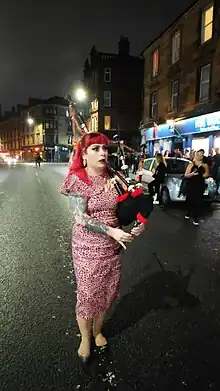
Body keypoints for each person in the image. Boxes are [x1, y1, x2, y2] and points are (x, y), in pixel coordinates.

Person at [60, 132, 146, 362]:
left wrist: (140, 223)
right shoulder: (78, 179)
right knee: (88, 295)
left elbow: (133, 202)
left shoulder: (116, 176)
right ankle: (85, 338)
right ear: (84, 155)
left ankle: (97, 331)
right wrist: (110, 231)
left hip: (113, 248)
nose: (102, 152)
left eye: (105, 148)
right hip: (87, 248)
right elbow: (80, 218)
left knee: (107, 293)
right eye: (95, 148)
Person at [184, 150, 209, 226]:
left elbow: (207, 174)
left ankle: (195, 217)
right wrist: (191, 174)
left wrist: (202, 175)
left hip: (199, 185)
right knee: (190, 200)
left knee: (197, 201)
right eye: (198, 154)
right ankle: (188, 212)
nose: (199, 156)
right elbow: (186, 175)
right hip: (191, 184)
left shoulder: (204, 165)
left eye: (201, 155)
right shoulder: (192, 164)